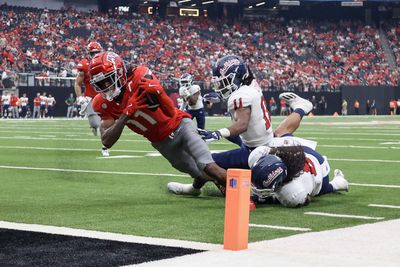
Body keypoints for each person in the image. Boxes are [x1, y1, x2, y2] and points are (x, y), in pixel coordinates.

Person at [168, 55, 312, 195]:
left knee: (205, 162)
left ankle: (197, 188)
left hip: (254, 151)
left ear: (237, 77)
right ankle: (301, 108)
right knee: (283, 130)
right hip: (264, 139)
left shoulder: (240, 96)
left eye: (224, 82)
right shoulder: (251, 85)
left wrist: (218, 133)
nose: (221, 86)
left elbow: (242, 125)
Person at [90, 51, 227, 195]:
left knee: (208, 166)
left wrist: (160, 92)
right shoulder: (102, 102)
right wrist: (126, 115)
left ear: (120, 73)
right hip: (161, 142)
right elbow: (106, 141)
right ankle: (213, 186)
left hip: (180, 125)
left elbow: (169, 112)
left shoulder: (139, 77)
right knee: (199, 173)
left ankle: (246, 192)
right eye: (99, 84)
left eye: (108, 80)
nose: (105, 87)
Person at [75, 41, 109, 156]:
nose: (95, 55)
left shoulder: (106, 63)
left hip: (105, 96)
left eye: (97, 53)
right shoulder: (84, 65)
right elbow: (78, 83)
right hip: (91, 98)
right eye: (92, 53)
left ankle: (105, 147)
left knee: (105, 124)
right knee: (95, 124)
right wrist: (80, 97)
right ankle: (94, 127)